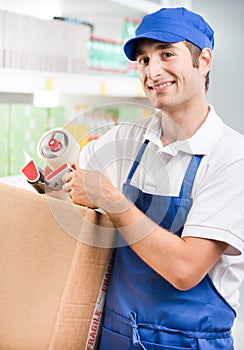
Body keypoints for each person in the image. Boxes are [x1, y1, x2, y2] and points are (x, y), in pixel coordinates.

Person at [63, 7, 244, 349]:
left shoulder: (231, 156)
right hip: (114, 335)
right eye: (144, 60)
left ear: (203, 60)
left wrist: (112, 200)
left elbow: (185, 269)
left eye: (167, 54)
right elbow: (69, 181)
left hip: (188, 342)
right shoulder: (125, 140)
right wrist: (55, 179)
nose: (153, 70)